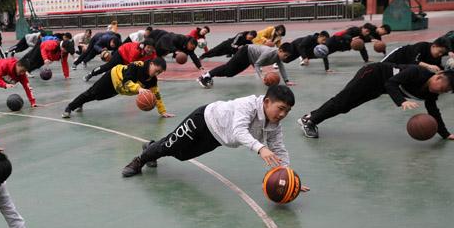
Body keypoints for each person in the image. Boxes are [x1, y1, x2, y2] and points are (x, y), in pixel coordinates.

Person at [122, 86, 308, 182]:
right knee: (170, 145)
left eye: (287, 112)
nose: (283, 114)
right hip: (203, 119)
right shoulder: (248, 105)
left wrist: (288, 176)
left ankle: (152, 147)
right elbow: (238, 130)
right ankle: (140, 160)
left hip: (216, 138)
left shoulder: (275, 125)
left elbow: (279, 150)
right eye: (281, 108)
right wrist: (261, 149)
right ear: (267, 102)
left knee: (180, 154)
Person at [298, 64, 454, 140]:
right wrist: (402, 102)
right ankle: (310, 122)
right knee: (342, 101)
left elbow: (434, 112)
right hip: (372, 74)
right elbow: (391, 83)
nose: (441, 92)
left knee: (346, 106)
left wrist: (445, 134)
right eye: (442, 88)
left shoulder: (430, 93)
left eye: (444, 92)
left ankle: (310, 116)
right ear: (438, 77)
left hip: (378, 88)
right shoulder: (417, 72)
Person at [62, 58, 173, 119]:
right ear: (152, 64)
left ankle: (81, 102)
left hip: (118, 89)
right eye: (156, 70)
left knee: (97, 96)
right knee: (92, 92)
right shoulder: (137, 66)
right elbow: (127, 81)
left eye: (159, 73)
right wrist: (139, 89)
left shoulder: (152, 80)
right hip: (113, 76)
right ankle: (69, 108)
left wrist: (162, 111)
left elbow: (156, 95)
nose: (156, 74)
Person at [197, 43, 296, 88]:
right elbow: (257, 64)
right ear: (280, 50)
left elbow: (281, 67)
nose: (285, 57)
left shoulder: (278, 57)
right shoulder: (269, 52)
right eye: (285, 55)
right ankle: (205, 76)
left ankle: (209, 75)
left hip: (249, 58)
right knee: (228, 68)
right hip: (245, 52)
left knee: (230, 73)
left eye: (287, 56)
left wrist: (287, 81)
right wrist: (261, 76)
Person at [84, 38, 156, 81]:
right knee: (108, 66)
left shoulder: (153, 53)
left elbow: (154, 63)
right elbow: (132, 65)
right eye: (148, 47)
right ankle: (91, 74)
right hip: (122, 53)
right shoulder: (136, 51)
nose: (149, 50)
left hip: (129, 59)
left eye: (151, 48)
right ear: (144, 46)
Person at [382, 37, 452, 72]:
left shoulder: (437, 56)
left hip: (405, 65)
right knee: (381, 67)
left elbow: (439, 68)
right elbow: (414, 61)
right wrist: (429, 66)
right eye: (440, 51)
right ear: (434, 46)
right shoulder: (422, 46)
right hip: (399, 55)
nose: (440, 54)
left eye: (442, 53)